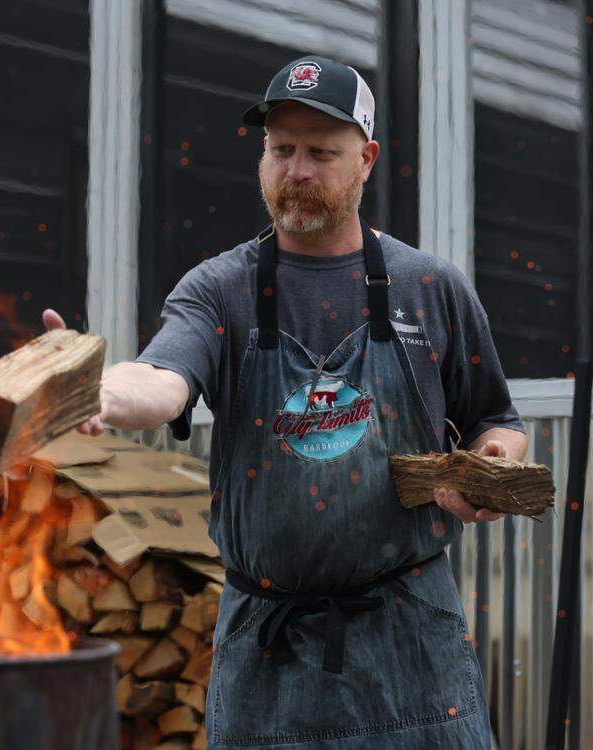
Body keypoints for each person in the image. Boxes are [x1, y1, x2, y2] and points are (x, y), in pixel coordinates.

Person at [45, 54, 527, 749]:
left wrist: (490, 466)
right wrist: (99, 390)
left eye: (321, 153)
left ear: (365, 160)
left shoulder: (430, 288)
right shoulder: (220, 290)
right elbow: (162, 379)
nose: (297, 170)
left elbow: (497, 420)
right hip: (268, 653)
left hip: (410, 639)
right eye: (282, 150)